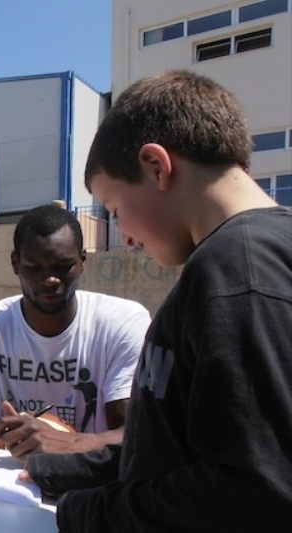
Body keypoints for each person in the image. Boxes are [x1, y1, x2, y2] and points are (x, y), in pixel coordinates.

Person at [28, 70, 292, 531]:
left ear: (156, 166)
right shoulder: (243, 259)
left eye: (114, 207)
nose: (125, 235)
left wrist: (84, 515)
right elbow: (176, 455)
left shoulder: (238, 270)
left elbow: (255, 492)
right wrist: (52, 471)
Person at [0, 204, 150, 460]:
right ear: (15, 263)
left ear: (83, 261)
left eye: (62, 266)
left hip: (93, 483)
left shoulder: (122, 322)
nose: (50, 279)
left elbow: (133, 435)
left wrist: (69, 443)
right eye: (35, 268)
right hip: (12, 482)